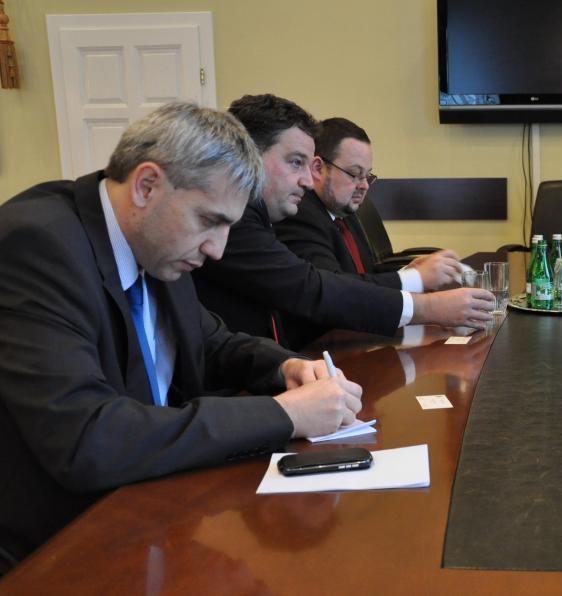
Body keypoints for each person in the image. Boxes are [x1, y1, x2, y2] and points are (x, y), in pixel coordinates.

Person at [0, 103, 363, 567]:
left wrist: (287, 366)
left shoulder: (156, 241)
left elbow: (211, 341)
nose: (217, 250)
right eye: (209, 221)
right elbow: (89, 437)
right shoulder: (38, 245)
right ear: (147, 186)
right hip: (58, 548)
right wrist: (283, 415)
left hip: (154, 514)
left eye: (229, 226)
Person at [192, 95, 493, 350]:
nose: (307, 180)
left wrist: (287, 368)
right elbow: (313, 288)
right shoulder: (238, 221)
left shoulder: (262, 214)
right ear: (248, 156)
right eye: (296, 162)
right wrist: (430, 307)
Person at [275, 116, 461, 289]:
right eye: (355, 174)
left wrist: (408, 271)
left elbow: (364, 275)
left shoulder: (343, 210)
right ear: (318, 169)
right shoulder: (300, 216)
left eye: (367, 175)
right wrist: (415, 279)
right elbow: (334, 289)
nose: (364, 185)